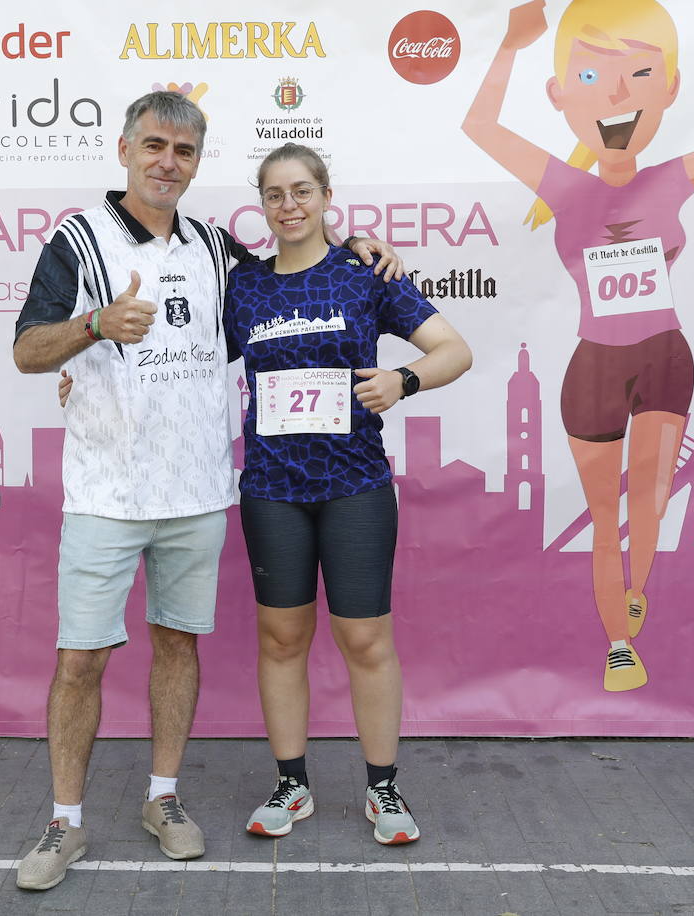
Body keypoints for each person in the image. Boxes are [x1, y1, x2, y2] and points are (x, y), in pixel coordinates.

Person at [11, 91, 401, 891]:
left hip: (195, 493)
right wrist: (90, 330)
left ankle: (163, 799)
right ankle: (64, 823)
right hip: (105, 495)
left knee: (176, 646)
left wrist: (358, 244)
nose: (167, 162)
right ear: (124, 149)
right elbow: (26, 350)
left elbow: (291, 284)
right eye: (154, 145)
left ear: (196, 162)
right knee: (80, 660)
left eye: (184, 152)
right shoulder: (77, 240)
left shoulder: (215, 248)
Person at [462, 0, 694, 691]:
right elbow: (479, 125)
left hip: (664, 358)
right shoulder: (562, 185)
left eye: (639, 73)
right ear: (560, 96)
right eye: (591, 76)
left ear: (668, 89)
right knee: (607, 515)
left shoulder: (672, 177)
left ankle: (636, 589)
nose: (615, 95)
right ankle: (619, 643)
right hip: (595, 369)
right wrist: (512, 45)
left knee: (651, 505)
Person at [227, 144, 472, 844]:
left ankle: (384, 791)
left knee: (365, 637)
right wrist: (87, 377)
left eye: (302, 191)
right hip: (272, 488)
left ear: (327, 196)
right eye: (275, 194)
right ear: (263, 206)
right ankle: (291, 784)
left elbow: (454, 348)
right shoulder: (245, 288)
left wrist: (405, 380)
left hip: (355, 483)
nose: (289, 206)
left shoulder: (364, 273)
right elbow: (182, 360)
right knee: (281, 637)